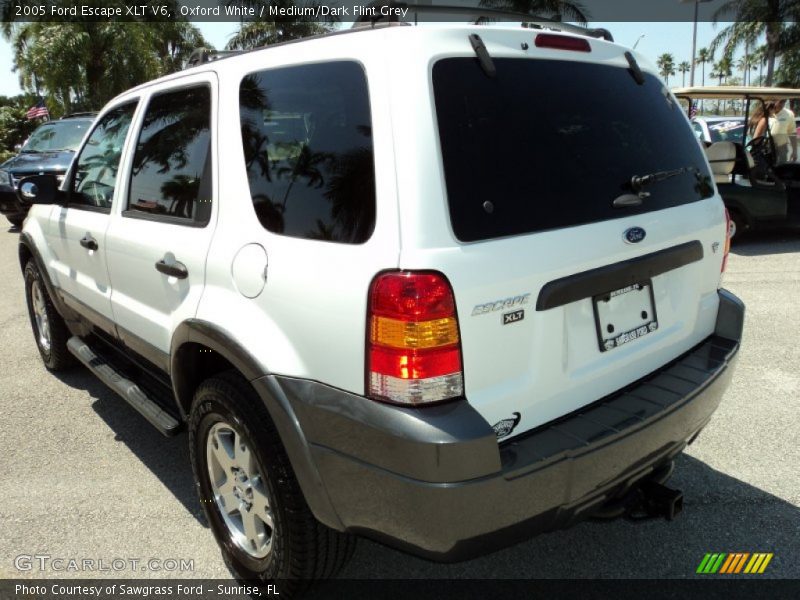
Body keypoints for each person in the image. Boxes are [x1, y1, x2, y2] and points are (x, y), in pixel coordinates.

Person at [771, 99, 797, 164]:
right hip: (766, 149)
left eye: (784, 101)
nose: (782, 104)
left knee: (781, 171)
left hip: (781, 149)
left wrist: (795, 151)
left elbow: (792, 133)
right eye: (780, 101)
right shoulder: (766, 112)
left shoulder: (789, 114)